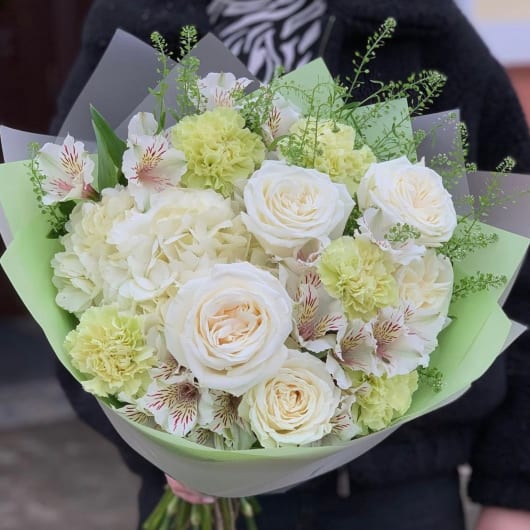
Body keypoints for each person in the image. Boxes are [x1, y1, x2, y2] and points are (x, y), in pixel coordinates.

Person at [52, 1, 530, 529]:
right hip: (199, 495)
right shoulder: (141, 23)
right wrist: (160, 442)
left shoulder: (419, 27)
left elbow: (519, 264)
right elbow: (61, 247)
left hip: (395, 493)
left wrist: (514, 494)